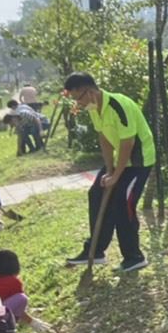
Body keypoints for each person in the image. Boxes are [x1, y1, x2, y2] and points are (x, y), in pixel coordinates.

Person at [61, 71, 156, 273]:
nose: (79, 104)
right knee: (96, 193)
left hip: (138, 162)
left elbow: (127, 143)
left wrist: (116, 175)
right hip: (119, 161)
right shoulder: (95, 108)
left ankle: (134, 256)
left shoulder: (118, 105)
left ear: (90, 91)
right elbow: (104, 139)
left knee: (123, 202)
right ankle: (95, 251)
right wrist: (109, 170)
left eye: (79, 99)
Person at [0, 250, 52, 333]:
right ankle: (9, 326)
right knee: (22, 298)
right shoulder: (13, 282)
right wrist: (32, 322)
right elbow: (18, 307)